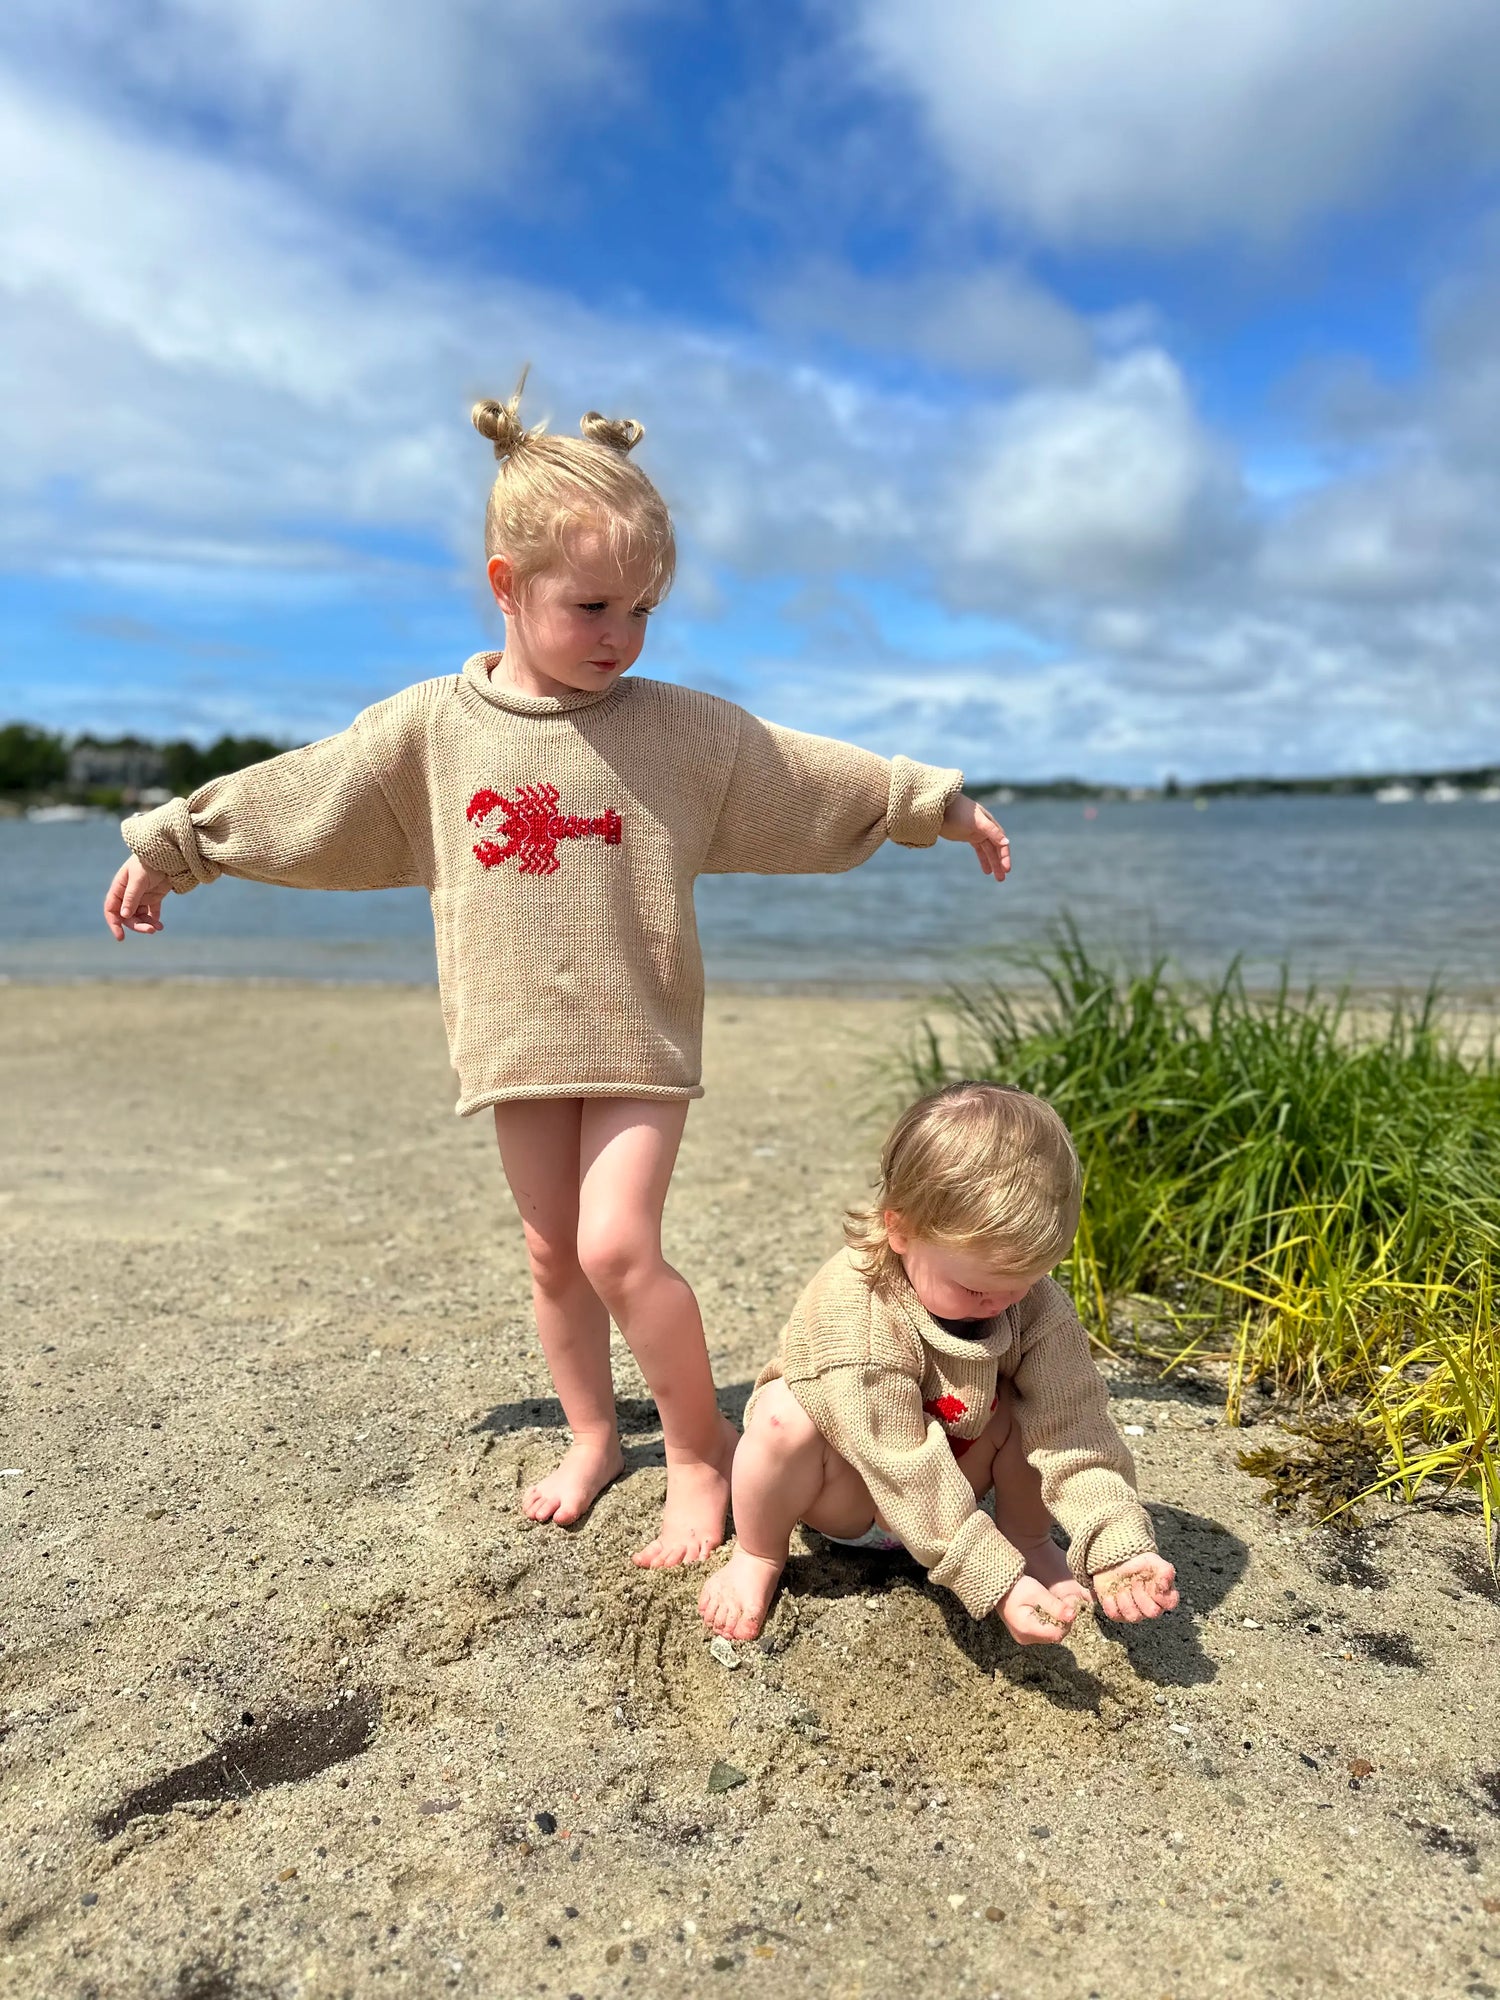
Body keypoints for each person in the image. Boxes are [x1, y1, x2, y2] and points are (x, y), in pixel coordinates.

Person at [102, 374, 1013, 1571]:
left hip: (639, 1031)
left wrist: (930, 804)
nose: (621, 637)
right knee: (550, 1254)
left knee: (618, 1248)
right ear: (505, 586)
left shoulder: (684, 733)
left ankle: (698, 1449)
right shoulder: (429, 731)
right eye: (591, 606)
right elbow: (305, 792)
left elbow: (803, 777)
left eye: (643, 609)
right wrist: (176, 845)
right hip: (515, 1036)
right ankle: (593, 1434)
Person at [699, 1081, 1179, 1644]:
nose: (1000, 1303)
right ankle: (758, 1553)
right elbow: (898, 1460)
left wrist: (1119, 1542)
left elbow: (1074, 1427)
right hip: (853, 1494)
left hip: (958, 1486)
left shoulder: (1034, 1304)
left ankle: (1026, 1539)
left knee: (1032, 1407)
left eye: (1022, 1282)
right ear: (899, 1230)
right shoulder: (858, 1311)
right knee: (783, 1418)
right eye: (975, 1288)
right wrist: (995, 1581)